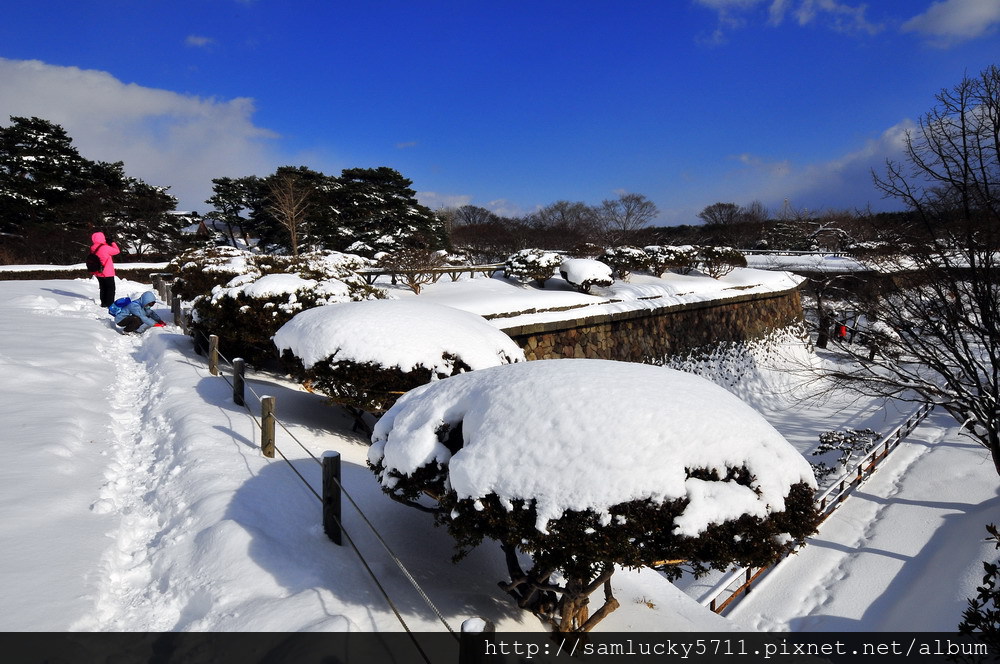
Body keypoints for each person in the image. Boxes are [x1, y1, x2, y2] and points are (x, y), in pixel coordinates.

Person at [89, 231, 121, 307]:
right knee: (111, 288)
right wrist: (112, 243)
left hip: (98, 271)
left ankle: (103, 303)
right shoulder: (105, 248)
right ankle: (110, 304)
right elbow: (117, 251)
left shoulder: (93, 248)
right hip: (107, 271)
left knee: (103, 288)